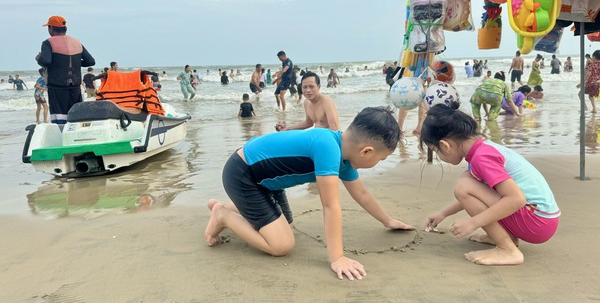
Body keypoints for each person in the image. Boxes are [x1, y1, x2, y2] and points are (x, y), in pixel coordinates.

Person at [205, 106, 413, 280]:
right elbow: (330, 206)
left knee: (287, 225)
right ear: (366, 151)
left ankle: (224, 206)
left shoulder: (345, 157)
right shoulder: (328, 147)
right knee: (281, 244)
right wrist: (337, 257)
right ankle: (223, 216)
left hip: (267, 184)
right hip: (243, 174)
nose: (378, 164)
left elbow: (362, 194)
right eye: (381, 159)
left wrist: (387, 221)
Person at [421, 102, 560, 266]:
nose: (439, 156)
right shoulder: (482, 150)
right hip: (542, 218)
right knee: (467, 181)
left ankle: (507, 249)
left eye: (436, 151)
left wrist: (473, 223)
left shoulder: (482, 158)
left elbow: (516, 199)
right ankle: (507, 238)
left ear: (445, 145)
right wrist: (443, 213)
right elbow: (480, 194)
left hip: (537, 222)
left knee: (463, 186)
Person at [35, 15, 95, 124]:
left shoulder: (48, 42)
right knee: (76, 116)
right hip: (75, 87)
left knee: (60, 118)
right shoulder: (76, 42)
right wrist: (74, 63)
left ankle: (62, 137)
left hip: (57, 86)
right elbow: (90, 61)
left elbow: (46, 61)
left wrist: (39, 59)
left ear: (51, 28)